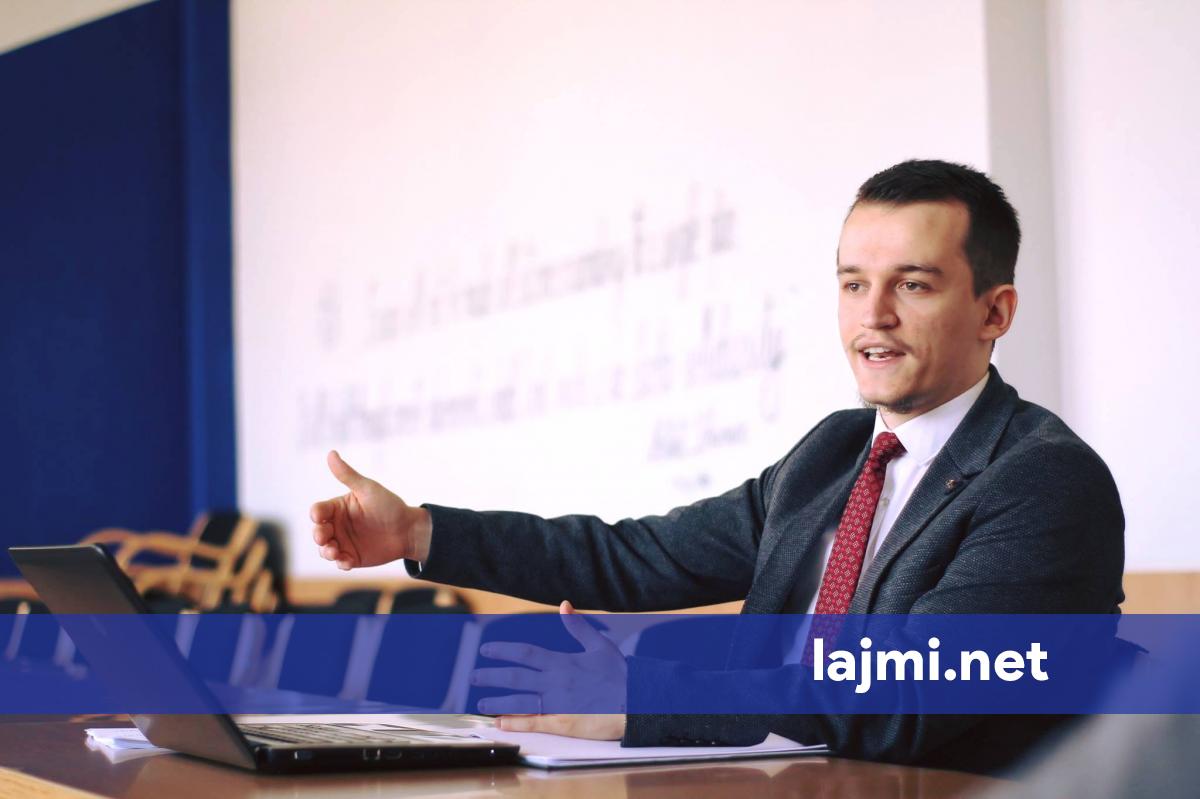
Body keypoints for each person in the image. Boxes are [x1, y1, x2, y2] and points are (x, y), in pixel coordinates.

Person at [310, 159, 1124, 772]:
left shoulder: (1045, 481)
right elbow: (638, 556)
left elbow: (901, 697)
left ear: (994, 311)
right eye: (852, 284)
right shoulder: (833, 453)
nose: (872, 316)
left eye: (912, 284)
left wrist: (637, 695)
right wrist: (418, 530)